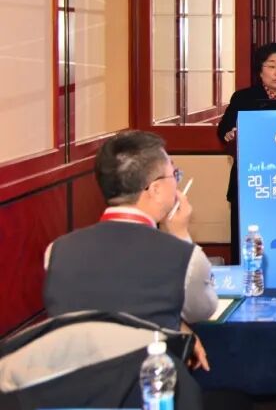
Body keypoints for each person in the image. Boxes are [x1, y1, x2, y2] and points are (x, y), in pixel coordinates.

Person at [43, 130, 217, 369]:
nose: (177, 183)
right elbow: (204, 309)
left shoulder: (56, 251)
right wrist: (180, 235)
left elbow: (108, 308)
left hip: (73, 385)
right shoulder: (182, 256)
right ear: (155, 189)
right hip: (147, 383)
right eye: (174, 175)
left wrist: (177, 324)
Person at [217, 41, 276, 260]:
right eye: (271, 66)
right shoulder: (243, 97)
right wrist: (230, 133)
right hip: (250, 180)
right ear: (260, 70)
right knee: (245, 238)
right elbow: (224, 129)